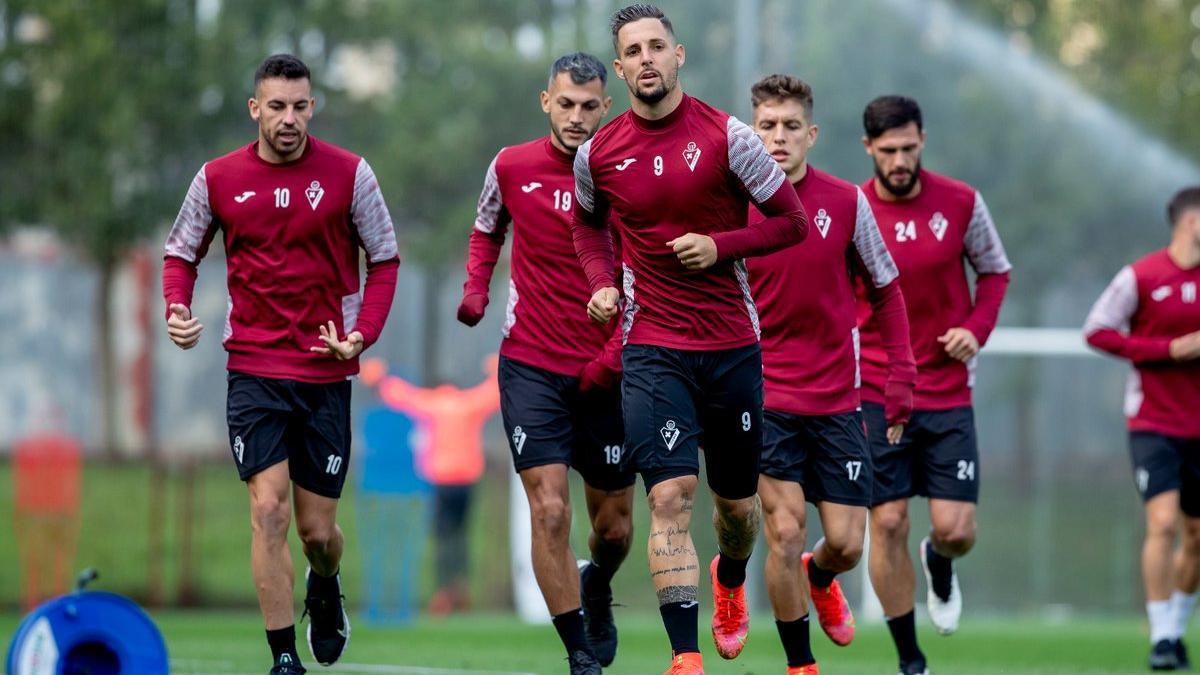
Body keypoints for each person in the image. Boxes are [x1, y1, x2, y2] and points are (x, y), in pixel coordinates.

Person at [572, 6, 808, 673]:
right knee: (670, 498)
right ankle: (685, 657)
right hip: (652, 347)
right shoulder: (600, 152)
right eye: (632, 51)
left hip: (732, 345)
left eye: (656, 46)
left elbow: (792, 223)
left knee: (736, 508)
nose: (646, 58)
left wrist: (720, 245)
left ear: (679, 56)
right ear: (620, 69)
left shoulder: (729, 136)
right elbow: (586, 227)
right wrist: (602, 281)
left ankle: (730, 578)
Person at [162, 54, 399, 675]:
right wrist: (175, 307)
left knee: (317, 532)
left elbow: (386, 258)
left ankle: (325, 587)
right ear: (255, 109)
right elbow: (180, 252)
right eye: (276, 107)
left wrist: (362, 334)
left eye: (299, 106)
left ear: (311, 107)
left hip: (326, 372)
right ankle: (283, 658)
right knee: (267, 510)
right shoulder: (217, 177)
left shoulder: (351, 174)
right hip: (254, 370)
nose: (288, 119)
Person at [456, 52, 635, 675]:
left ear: (606, 107)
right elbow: (486, 229)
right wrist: (477, 288)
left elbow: (647, 272)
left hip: (611, 372)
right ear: (546, 102)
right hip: (531, 363)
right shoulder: (511, 165)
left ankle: (598, 585)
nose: (577, 117)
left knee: (612, 530)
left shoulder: (629, 172)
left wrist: (614, 356)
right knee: (550, 508)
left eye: (590, 106)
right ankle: (579, 655)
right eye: (566, 105)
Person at [744, 75, 916, 675]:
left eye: (791, 126)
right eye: (767, 125)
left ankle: (823, 580)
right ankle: (801, 666)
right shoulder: (728, 202)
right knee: (785, 533)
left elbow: (888, 289)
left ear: (811, 135)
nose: (778, 137)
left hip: (838, 403)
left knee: (843, 544)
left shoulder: (846, 201)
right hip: (764, 400)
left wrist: (901, 377)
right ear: (751, 131)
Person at [856, 95, 1011, 675]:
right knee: (888, 520)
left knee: (957, 530)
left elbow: (995, 270)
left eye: (909, 148)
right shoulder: (852, 209)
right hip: (875, 388)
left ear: (922, 141)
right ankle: (909, 658)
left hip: (948, 392)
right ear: (868, 148)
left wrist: (976, 329)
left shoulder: (963, 202)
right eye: (889, 150)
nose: (900, 160)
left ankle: (939, 562)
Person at [1084, 186, 1200, 671]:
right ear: (1189, 221)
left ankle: (1175, 628)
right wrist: (1166, 350)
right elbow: (1097, 330)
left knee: (1196, 535)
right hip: (1153, 423)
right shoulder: (1142, 275)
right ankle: (1161, 637)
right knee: (1164, 522)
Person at [358, 356, 500, 617]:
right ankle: (460, 588)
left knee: (443, 537)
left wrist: (379, 376)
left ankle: (444, 592)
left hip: (441, 482)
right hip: (467, 480)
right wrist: (497, 367)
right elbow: (494, 392)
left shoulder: (431, 404)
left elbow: (400, 395)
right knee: (461, 536)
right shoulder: (469, 404)